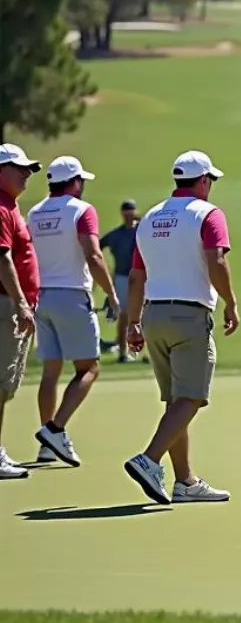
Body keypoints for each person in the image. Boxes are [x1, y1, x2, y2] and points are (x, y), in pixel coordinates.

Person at [123, 150, 238, 505]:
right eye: (211, 181)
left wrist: (133, 322)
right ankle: (149, 460)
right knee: (190, 397)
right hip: (189, 316)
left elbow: (136, 276)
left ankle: (185, 481)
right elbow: (216, 260)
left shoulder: (151, 217)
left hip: (154, 315)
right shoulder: (208, 214)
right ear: (203, 181)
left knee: (175, 400)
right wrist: (231, 302)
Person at [27, 156, 119, 468]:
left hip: (41, 297)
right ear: (76, 182)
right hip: (71, 295)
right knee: (89, 368)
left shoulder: (35, 212)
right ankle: (54, 430)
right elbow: (93, 255)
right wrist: (111, 294)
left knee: (51, 371)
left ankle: (46, 444)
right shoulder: (82, 210)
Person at [0, 143, 41, 481]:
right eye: (19, 168)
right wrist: (21, 303)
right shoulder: (1, 207)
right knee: (1, 382)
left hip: (9, 303)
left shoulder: (10, 206)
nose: (27, 173)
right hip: (5, 305)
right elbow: (2, 258)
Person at [100, 200, 140, 362]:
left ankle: (144, 352)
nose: (129, 214)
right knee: (124, 315)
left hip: (141, 276)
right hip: (122, 277)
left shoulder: (142, 230)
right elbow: (98, 246)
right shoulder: (116, 234)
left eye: (131, 211)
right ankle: (123, 353)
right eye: (126, 211)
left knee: (144, 315)